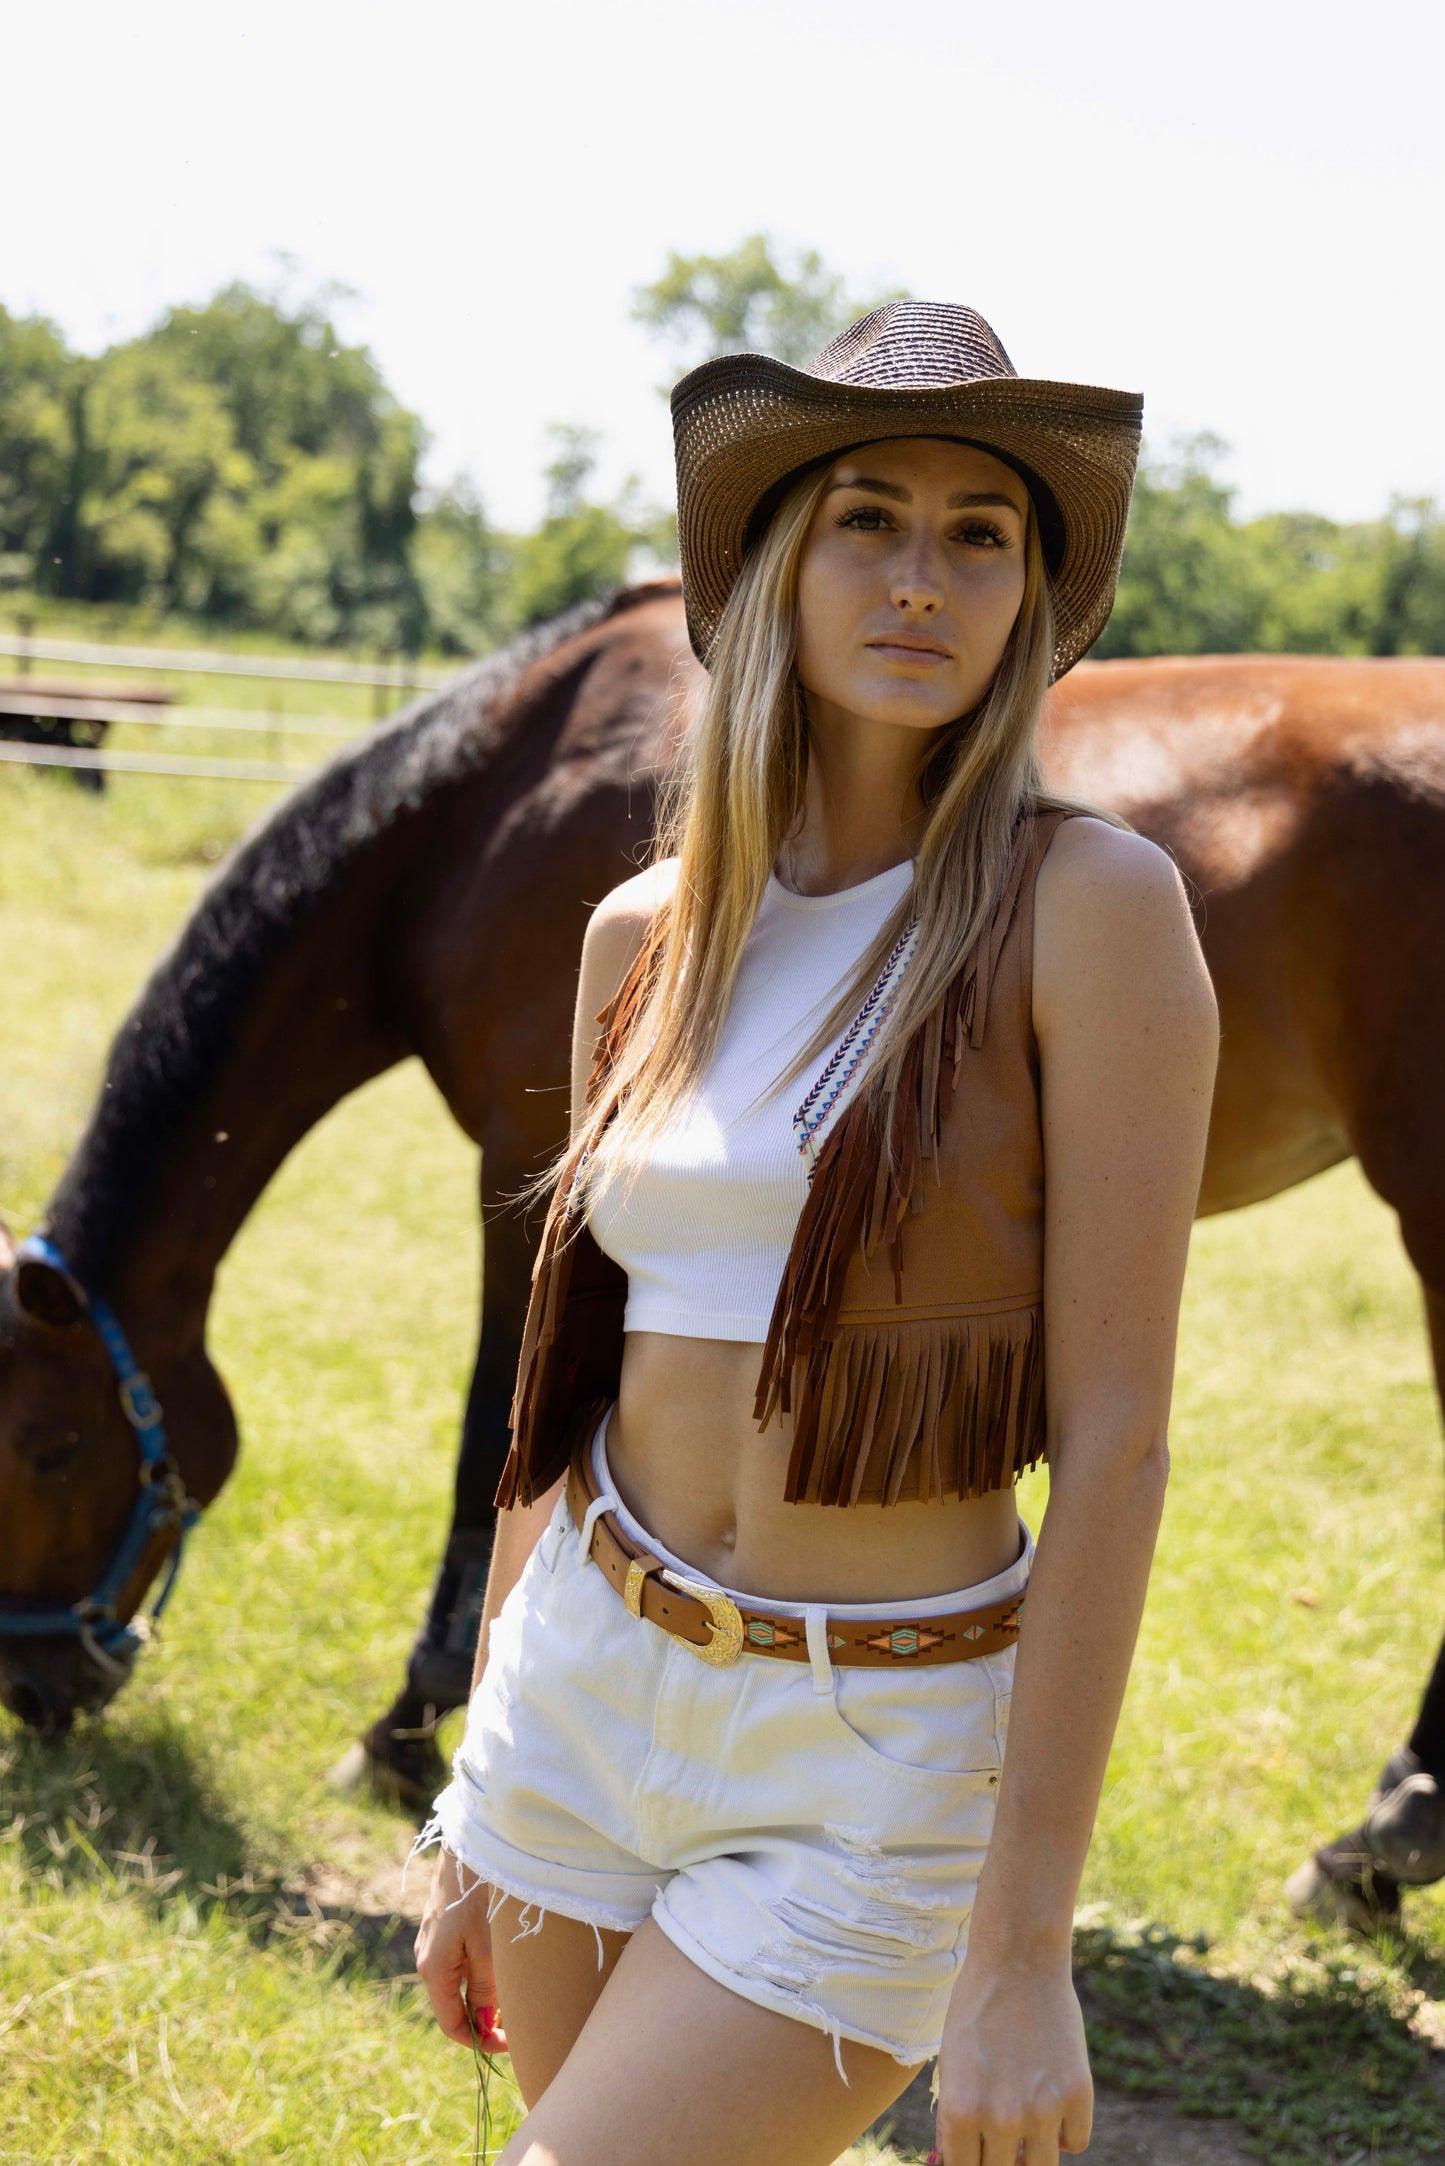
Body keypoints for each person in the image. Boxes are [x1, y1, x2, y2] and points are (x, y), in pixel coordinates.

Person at [414, 301, 1219, 2166]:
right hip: (583, 1690)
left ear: (1028, 592)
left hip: (870, 1746)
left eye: (979, 532)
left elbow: (1116, 1444)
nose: (921, 575)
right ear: (776, 560)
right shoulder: (646, 934)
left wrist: (1024, 1950)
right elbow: (568, 1382)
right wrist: (479, 1781)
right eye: (868, 515)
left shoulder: (1086, 908)